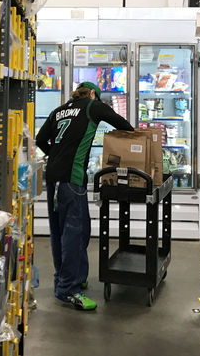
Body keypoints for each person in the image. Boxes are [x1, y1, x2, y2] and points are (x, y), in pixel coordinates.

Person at [35, 81, 134, 310]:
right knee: (74, 233)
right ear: (91, 94)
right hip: (72, 179)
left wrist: (57, 155)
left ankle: (68, 277)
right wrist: (137, 138)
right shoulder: (91, 105)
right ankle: (69, 290)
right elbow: (122, 124)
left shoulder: (59, 110)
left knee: (61, 231)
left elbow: (41, 140)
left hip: (53, 178)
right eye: (96, 97)